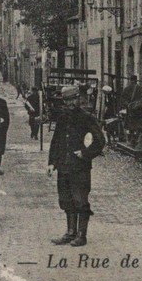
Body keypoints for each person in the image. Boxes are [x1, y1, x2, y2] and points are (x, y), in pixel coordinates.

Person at [47, 85, 105, 247]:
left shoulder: (87, 117)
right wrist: (52, 163)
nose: (71, 103)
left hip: (80, 167)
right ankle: (70, 232)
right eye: (67, 100)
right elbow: (56, 142)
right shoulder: (62, 118)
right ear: (64, 102)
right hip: (64, 166)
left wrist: (85, 153)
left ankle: (81, 235)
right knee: (66, 200)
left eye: (73, 99)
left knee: (80, 200)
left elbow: (100, 140)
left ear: (79, 98)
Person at [119, 75, 142, 145]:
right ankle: (137, 139)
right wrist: (137, 105)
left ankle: (132, 139)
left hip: (131, 110)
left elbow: (122, 99)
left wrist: (128, 105)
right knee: (138, 125)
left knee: (131, 126)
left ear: (130, 80)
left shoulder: (127, 89)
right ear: (136, 80)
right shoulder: (140, 88)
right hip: (138, 110)